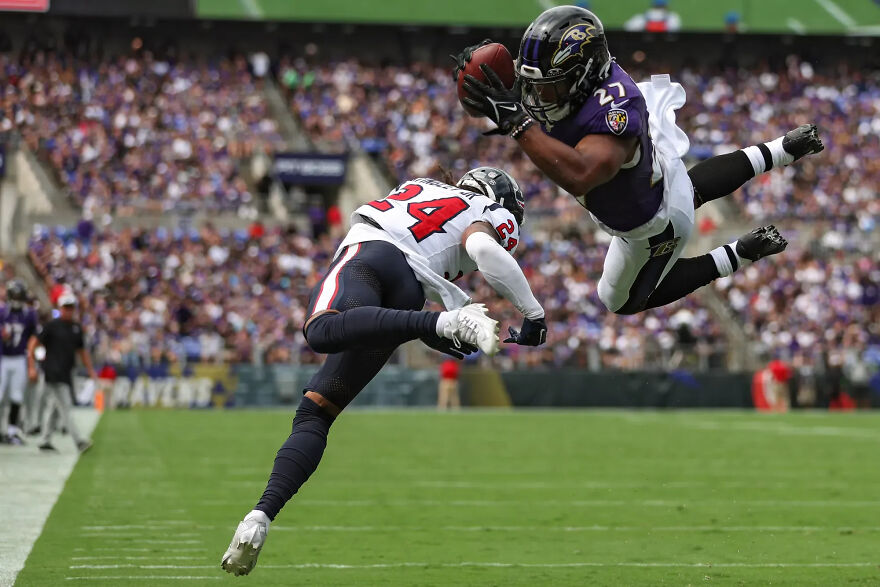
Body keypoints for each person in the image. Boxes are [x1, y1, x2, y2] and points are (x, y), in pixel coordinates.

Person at [221, 167, 548, 576]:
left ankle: (441, 322)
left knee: (321, 328)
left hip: (373, 258)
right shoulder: (484, 208)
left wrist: (440, 324)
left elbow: (468, 244)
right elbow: (479, 246)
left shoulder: (421, 185)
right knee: (316, 412)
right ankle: (259, 517)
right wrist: (532, 315)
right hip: (408, 294)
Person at [454, 6, 824, 316]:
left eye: (549, 84)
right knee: (689, 188)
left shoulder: (614, 111)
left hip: (652, 225)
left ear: (581, 76)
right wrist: (486, 72)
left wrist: (518, 123)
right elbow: (529, 79)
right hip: (657, 178)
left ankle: (739, 253)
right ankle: (785, 148)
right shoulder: (577, 78)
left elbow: (581, 174)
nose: (536, 94)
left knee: (618, 301)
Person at [26, 292, 96, 453]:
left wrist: (90, 370)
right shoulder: (51, 326)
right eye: (66, 307)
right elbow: (33, 344)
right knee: (65, 406)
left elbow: (82, 351)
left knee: (55, 407)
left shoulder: (76, 328)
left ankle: (45, 439)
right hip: (52, 372)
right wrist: (32, 366)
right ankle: (79, 441)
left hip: (66, 372)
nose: (69, 311)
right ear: (60, 308)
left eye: (71, 308)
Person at [0, 281, 38, 444]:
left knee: (16, 396)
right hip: (3, 357)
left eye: (18, 295)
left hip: (20, 358)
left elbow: (34, 337)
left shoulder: (29, 314)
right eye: (13, 295)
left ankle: (12, 431)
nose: (16, 298)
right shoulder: (2, 312)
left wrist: (31, 363)